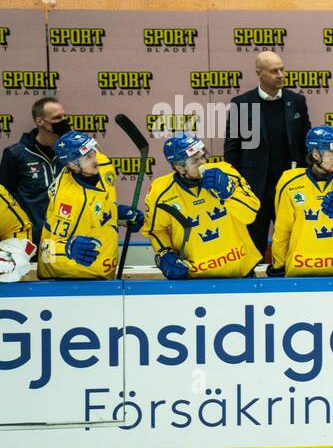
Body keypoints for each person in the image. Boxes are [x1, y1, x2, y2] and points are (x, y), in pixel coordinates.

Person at [223, 51, 312, 261]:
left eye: (282, 69)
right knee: (253, 244)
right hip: (255, 188)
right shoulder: (242, 104)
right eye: (274, 71)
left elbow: (306, 143)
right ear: (259, 73)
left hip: (290, 187)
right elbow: (232, 148)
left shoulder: (297, 101)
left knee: (293, 243)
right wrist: (236, 184)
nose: (280, 74)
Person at [143, 134, 261, 279]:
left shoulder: (226, 172)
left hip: (241, 274)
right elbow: (156, 230)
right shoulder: (160, 192)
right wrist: (165, 252)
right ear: (180, 168)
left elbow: (250, 215)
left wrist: (229, 193)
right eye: (195, 161)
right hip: (194, 280)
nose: (203, 162)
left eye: (203, 156)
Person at [37, 131, 143, 279]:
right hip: (71, 279)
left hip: (103, 272)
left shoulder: (103, 165)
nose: (95, 158)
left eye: (93, 151)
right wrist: (68, 248)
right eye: (87, 156)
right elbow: (47, 252)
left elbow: (96, 209)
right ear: (72, 165)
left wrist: (118, 215)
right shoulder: (68, 200)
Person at [268, 125, 333, 277]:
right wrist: (278, 265)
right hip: (302, 268)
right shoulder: (290, 182)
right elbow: (283, 229)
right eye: (331, 153)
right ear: (315, 154)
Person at [0, 97, 66, 252]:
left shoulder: (70, 154)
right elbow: (4, 201)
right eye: (57, 118)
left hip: (65, 241)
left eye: (64, 116)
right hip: (30, 243)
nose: (63, 121)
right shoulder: (16, 154)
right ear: (40, 121)